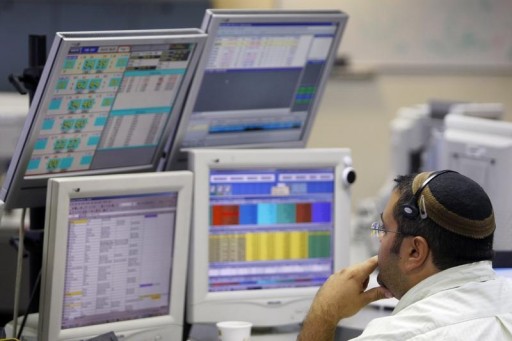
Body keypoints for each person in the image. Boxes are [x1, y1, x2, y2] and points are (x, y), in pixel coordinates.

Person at [298, 170, 512, 340]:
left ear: (414, 252)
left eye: (383, 229)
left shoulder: (396, 336)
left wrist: (325, 312)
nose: (379, 239)